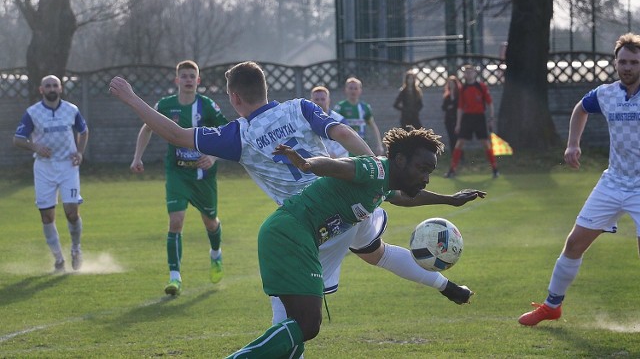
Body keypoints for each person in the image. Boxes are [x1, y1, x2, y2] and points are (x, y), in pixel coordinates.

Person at [109, 62, 483, 342]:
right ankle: (445, 286)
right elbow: (341, 131)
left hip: (312, 221)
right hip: (350, 199)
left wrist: (128, 97)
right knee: (376, 253)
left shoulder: (238, 133)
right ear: (267, 89)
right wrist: (372, 168)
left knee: (290, 309)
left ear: (235, 98)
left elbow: (175, 134)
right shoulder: (299, 107)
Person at [226, 127, 480, 358]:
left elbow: (404, 197)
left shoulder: (384, 183)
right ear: (400, 160)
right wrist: (307, 164)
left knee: (299, 327)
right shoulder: (375, 169)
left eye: (429, 171)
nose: (425, 178)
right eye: (422, 169)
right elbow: (340, 165)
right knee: (307, 324)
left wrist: (450, 199)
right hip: (290, 234)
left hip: (293, 237)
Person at [518, 33, 640, 326]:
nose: (627, 67)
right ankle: (551, 306)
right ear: (615, 62)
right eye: (622, 61)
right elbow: (581, 109)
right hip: (613, 182)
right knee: (574, 244)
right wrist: (573, 143)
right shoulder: (606, 93)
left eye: (634, 62)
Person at [130, 60, 228, 296]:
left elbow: (226, 133)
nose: (187, 80)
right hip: (177, 173)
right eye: (183, 76)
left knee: (210, 222)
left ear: (198, 80)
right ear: (176, 80)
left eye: (191, 76)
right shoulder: (165, 105)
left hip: (203, 176)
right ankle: (175, 277)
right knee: (176, 222)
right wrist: (137, 157)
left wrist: (213, 158)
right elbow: (147, 127)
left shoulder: (207, 106)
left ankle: (215, 254)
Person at [13, 75, 89, 273]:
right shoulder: (33, 112)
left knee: (72, 213)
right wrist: (35, 146)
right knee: (47, 217)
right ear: (41, 90)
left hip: (68, 166)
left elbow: (84, 131)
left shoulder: (71, 110)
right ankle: (58, 259)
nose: (51, 88)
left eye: (55, 85)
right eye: (48, 85)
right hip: (44, 169)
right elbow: (18, 139)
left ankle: (76, 249)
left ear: (61, 88)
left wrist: (80, 152)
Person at [444, 64, 499, 178]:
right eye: (466, 72)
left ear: (475, 73)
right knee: (459, 143)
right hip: (467, 118)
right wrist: (458, 124)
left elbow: (490, 103)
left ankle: (494, 169)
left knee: (486, 144)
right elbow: (460, 107)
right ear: (464, 74)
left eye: (470, 72)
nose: (468, 74)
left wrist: (491, 118)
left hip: (479, 118)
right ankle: (452, 170)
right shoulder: (463, 88)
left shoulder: (481, 86)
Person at [334, 77, 385, 155]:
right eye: (350, 88)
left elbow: (373, 126)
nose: (353, 91)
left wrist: (379, 145)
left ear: (360, 90)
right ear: (346, 90)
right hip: (345, 146)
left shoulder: (365, 107)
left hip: (362, 144)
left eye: (355, 88)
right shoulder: (340, 107)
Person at [309, 85, 348, 158]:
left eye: (323, 99)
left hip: (340, 161)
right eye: (316, 99)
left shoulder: (339, 120)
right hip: (317, 161)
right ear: (311, 101)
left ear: (328, 100)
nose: (319, 102)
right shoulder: (307, 121)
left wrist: (333, 154)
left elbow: (348, 142)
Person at [441, 75, 462, 151]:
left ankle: (460, 155)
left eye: (452, 83)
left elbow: (460, 106)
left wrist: (452, 106)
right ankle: (453, 154)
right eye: (450, 83)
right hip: (449, 119)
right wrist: (448, 107)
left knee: (458, 138)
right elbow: (443, 107)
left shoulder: (459, 95)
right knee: (451, 137)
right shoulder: (447, 95)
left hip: (457, 118)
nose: (451, 85)